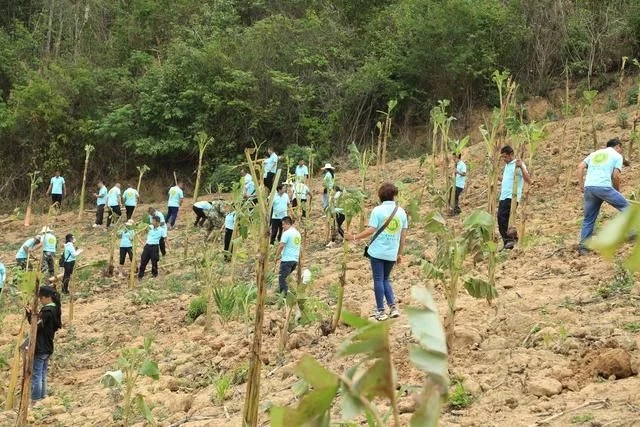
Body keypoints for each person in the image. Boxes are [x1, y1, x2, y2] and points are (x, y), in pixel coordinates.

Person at [345, 183, 408, 321]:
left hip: (377, 252)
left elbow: (371, 230)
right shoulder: (402, 212)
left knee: (378, 279)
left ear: (380, 196)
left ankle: (381, 310)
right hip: (391, 252)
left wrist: (354, 237)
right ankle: (392, 308)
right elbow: (403, 236)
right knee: (386, 279)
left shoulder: (377, 211)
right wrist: (399, 253)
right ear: (394, 195)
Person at [577, 137, 629, 255]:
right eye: (621, 149)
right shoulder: (617, 156)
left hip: (589, 188)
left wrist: (582, 185)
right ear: (618, 147)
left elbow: (580, 167)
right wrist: (617, 192)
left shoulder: (594, 154)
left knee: (589, 218)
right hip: (604, 188)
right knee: (629, 209)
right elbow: (615, 176)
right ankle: (633, 234)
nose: (621, 151)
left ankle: (583, 247)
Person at [26, 285, 62, 402]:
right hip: (48, 345)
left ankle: (36, 399)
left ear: (47, 298)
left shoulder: (47, 311)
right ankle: (42, 397)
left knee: (36, 374)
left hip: (40, 346)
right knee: (42, 373)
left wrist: (30, 315)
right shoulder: (56, 309)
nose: (40, 301)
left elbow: (36, 326)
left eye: (41, 298)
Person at [497, 146, 532, 250]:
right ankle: (508, 242)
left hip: (511, 196)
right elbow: (507, 179)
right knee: (501, 218)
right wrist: (498, 177)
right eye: (503, 157)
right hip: (503, 196)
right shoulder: (507, 166)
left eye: (505, 157)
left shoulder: (518, 164)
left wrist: (521, 166)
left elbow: (528, 180)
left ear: (511, 154)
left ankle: (511, 240)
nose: (504, 159)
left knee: (503, 218)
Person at [274, 216, 301, 294]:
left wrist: (276, 256)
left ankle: (283, 296)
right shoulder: (297, 233)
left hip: (287, 260)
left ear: (288, 224)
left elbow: (281, 246)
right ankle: (289, 293)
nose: (282, 226)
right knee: (286, 278)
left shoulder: (286, 233)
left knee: (282, 278)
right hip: (295, 260)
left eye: (283, 225)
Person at [138, 216, 163, 280]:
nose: (152, 222)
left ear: (157, 222)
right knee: (143, 260)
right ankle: (140, 275)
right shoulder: (149, 227)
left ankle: (154, 274)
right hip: (147, 246)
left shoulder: (161, 230)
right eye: (152, 221)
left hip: (155, 247)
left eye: (154, 221)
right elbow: (142, 232)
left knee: (154, 261)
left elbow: (163, 240)